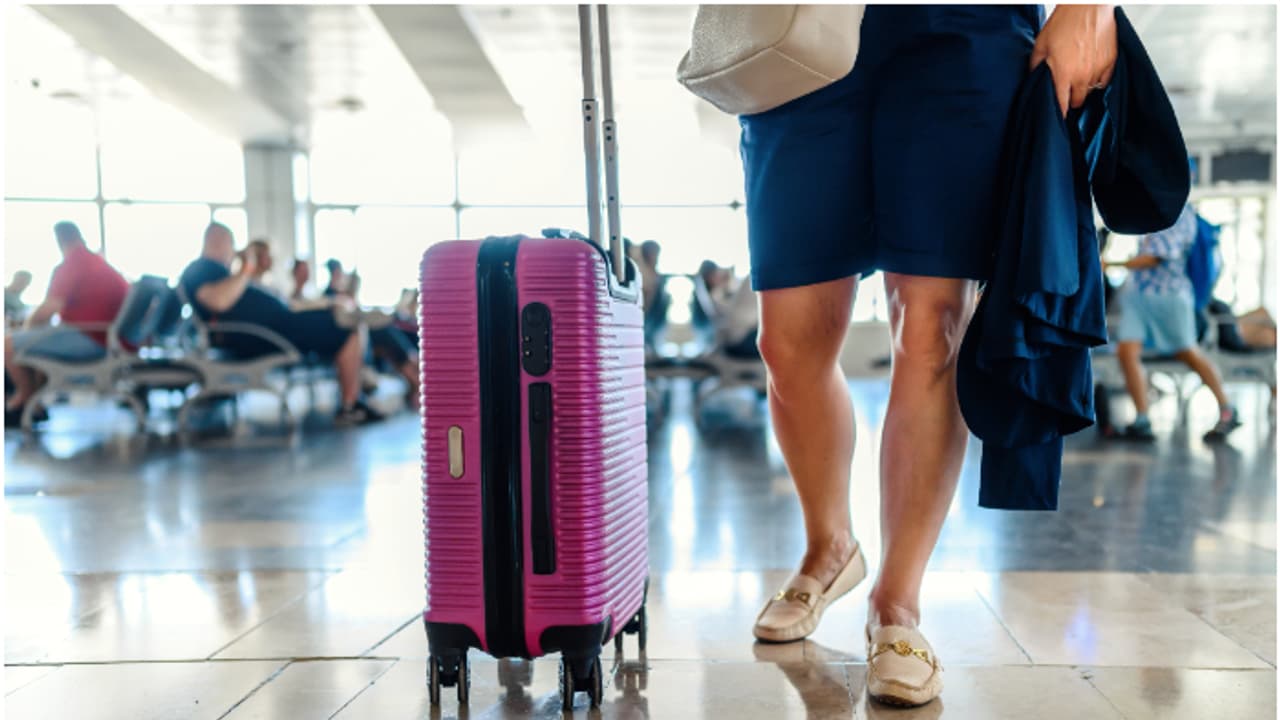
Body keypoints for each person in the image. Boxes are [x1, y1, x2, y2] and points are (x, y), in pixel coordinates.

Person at [737, 4, 1119, 707]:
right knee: (787, 341)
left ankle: (897, 601)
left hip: (963, 28)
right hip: (800, 26)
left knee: (933, 325)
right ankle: (831, 548)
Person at [179, 223, 382, 426]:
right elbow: (219, 301)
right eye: (231, 243)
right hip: (265, 334)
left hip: (277, 327)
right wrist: (247, 268)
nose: (233, 249)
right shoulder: (200, 268)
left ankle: (357, 349)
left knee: (340, 317)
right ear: (218, 240)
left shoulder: (221, 272)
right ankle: (351, 404)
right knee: (345, 328)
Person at [1106, 203, 1241, 442]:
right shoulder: (1151, 212)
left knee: (1188, 352)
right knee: (1126, 351)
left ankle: (1227, 408)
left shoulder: (1179, 211)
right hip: (1139, 296)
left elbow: (1156, 257)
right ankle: (1142, 420)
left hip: (1169, 296)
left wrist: (1112, 265)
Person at [5, 222, 129, 423]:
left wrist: (26, 331)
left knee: (8, 345)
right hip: (110, 338)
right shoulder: (98, 263)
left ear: (59, 240)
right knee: (35, 346)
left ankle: (27, 404)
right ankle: (30, 403)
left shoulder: (73, 265)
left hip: (93, 338)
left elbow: (45, 312)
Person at [694, 261, 759, 359]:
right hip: (742, 340)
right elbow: (725, 319)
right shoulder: (714, 297)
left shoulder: (740, 285)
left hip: (743, 335)